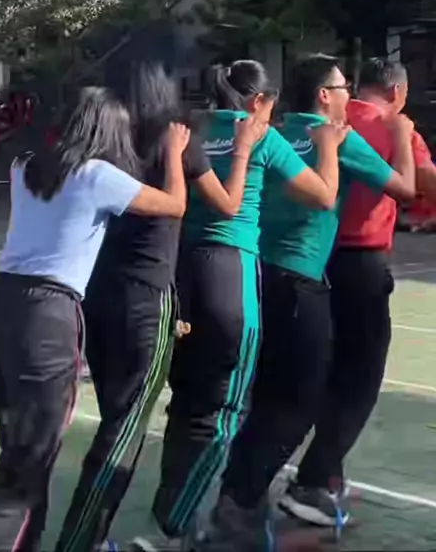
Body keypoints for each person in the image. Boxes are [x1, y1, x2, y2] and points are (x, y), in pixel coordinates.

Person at [132, 59, 350, 552]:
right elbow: (323, 196)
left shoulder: (194, 129)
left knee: (187, 400)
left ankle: (171, 515)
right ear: (259, 101)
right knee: (226, 407)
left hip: (182, 270)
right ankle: (182, 528)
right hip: (231, 273)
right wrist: (326, 147)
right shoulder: (258, 136)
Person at [0, 86, 193, 552]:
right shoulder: (98, 176)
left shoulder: (25, 166)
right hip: (48, 313)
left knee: (19, 449)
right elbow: (174, 205)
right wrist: (174, 153)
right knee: (27, 461)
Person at [56, 62, 267, 552]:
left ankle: (86, 536)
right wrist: (241, 151)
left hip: (96, 295)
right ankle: (81, 540)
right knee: (124, 430)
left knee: (116, 417)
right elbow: (228, 204)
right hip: (147, 298)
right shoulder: (176, 141)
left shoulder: (104, 143)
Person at [206, 54, 416, 548]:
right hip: (300, 280)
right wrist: (403, 135)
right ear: (324, 95)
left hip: (258, 274)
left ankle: (238, 496)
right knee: (300, 403)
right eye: (342, 88)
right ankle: (238, 503)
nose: (348, 96)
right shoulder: (337, 138)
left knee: (269, 396)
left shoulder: (276, 134)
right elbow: (406, 188)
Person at [282, 58, 435, 528]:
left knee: (321, 371)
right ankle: (312, 479)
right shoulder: (392, 126)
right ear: (397, 92)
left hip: (307, 259)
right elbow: (420, 183)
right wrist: (405, 139)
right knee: (360, 378)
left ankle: (325, 473)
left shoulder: (314, 123)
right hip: (360, 261)